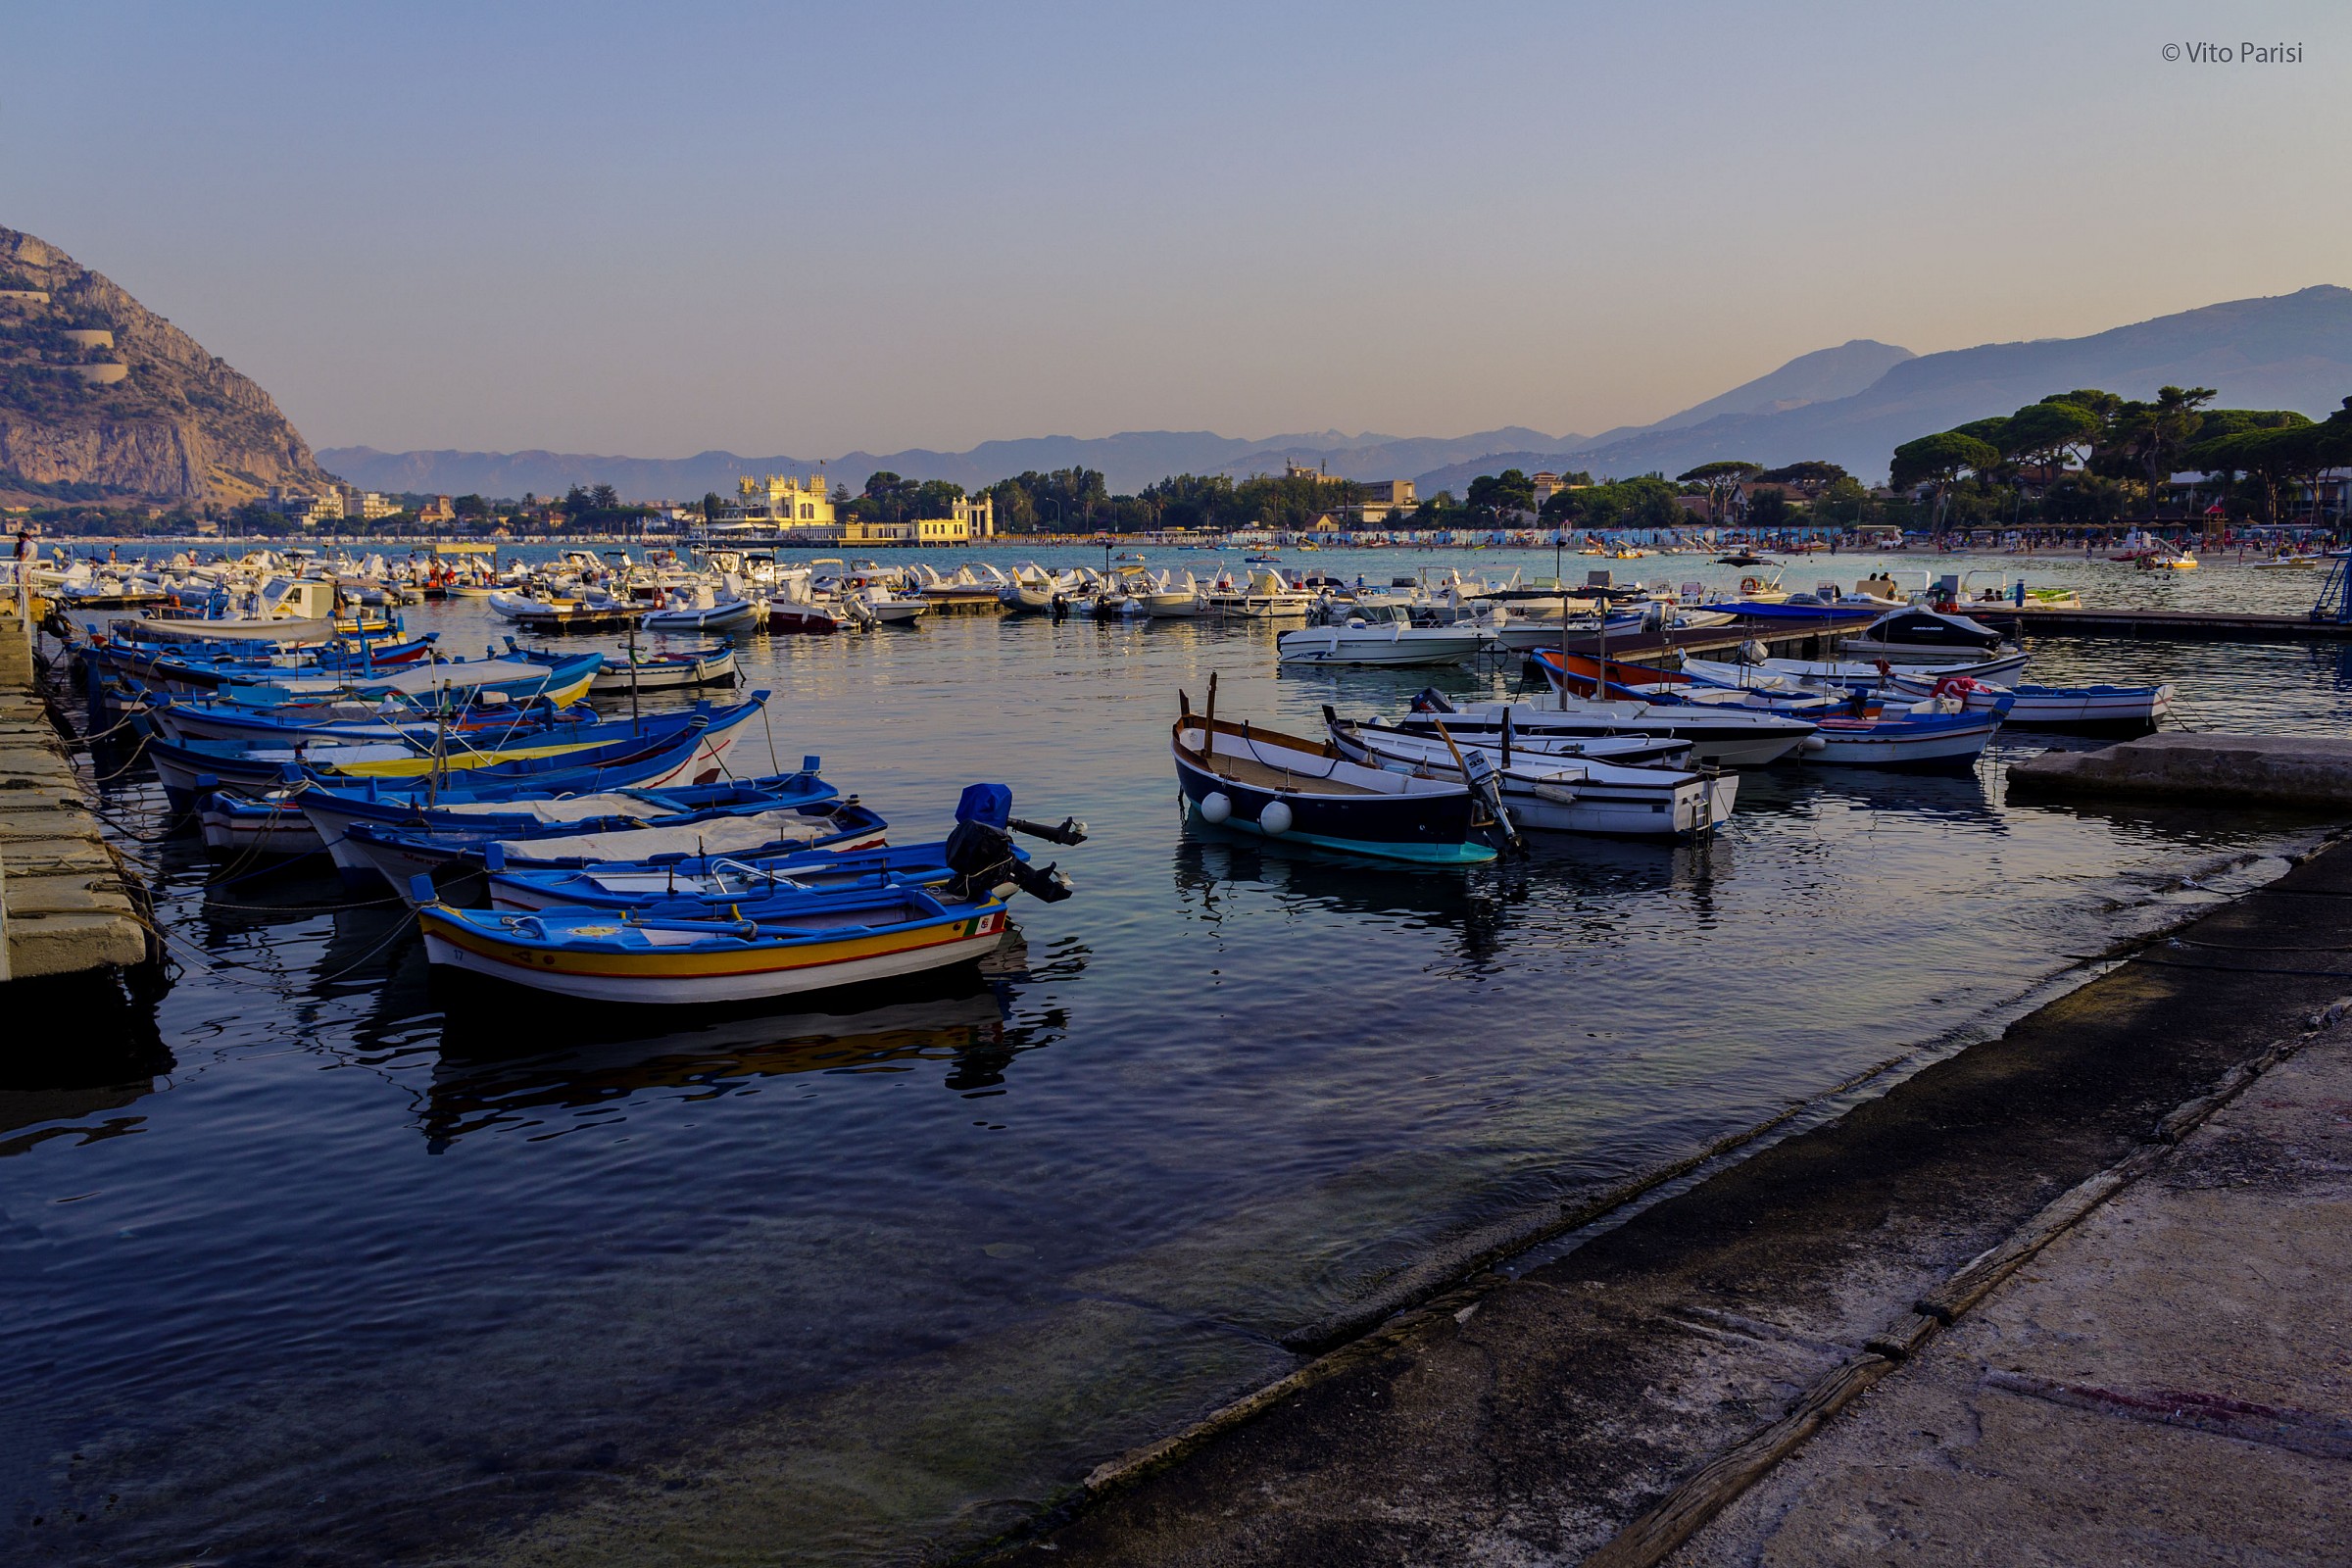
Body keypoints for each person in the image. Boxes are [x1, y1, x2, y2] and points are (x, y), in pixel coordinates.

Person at [944, 783, 1083, 904]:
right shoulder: (989, 840)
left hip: (969, 878)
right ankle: (1049, 889)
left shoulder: (966, 832)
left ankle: (1048, 884)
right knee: (1011, 865)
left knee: (1010, 864)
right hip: (975, 883)